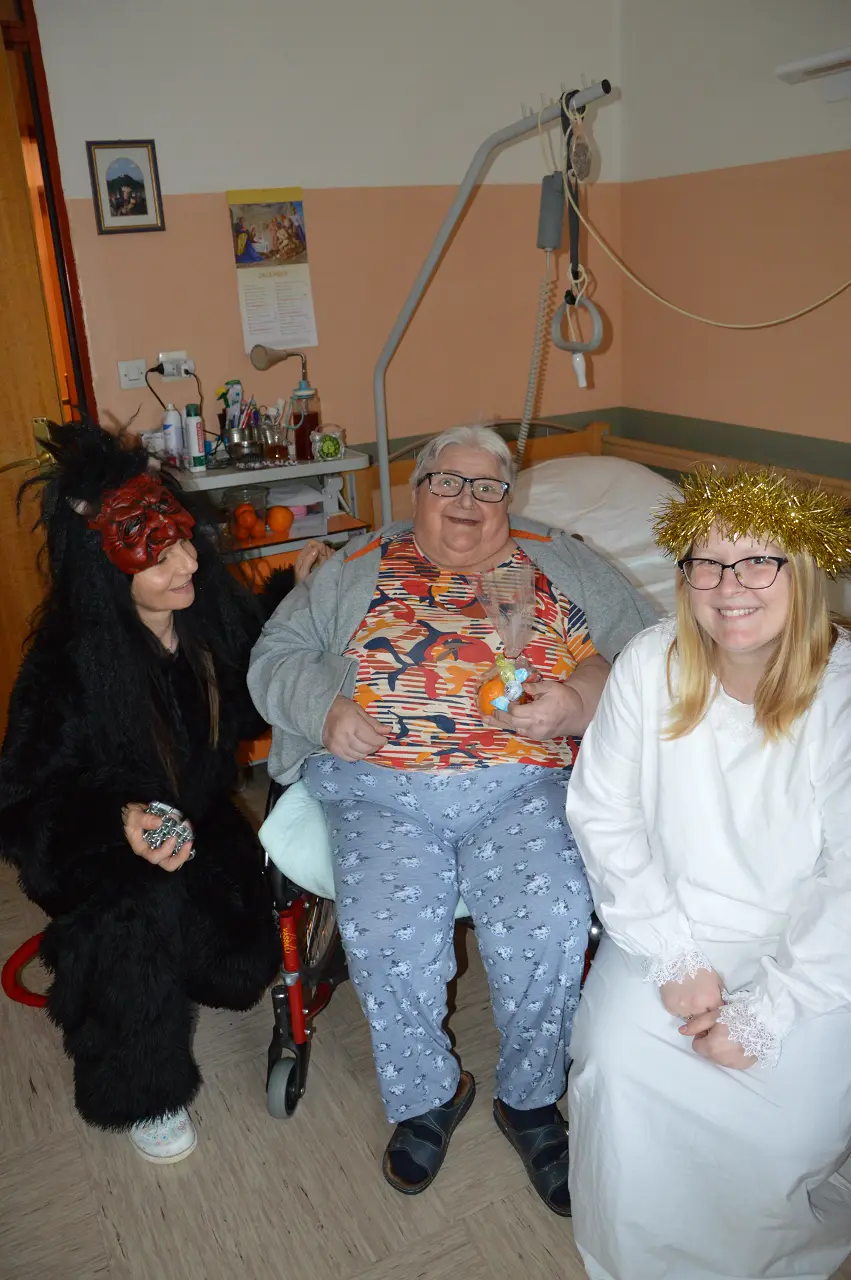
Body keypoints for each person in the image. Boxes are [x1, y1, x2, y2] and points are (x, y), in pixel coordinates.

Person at [248, 425, 656, 1210]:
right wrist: (326, 709)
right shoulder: (357, 565)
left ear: (508, 497)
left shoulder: (560, 564)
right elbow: (273, 656)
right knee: (388, 932)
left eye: (486, 486)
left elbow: (647, 653)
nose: (466, 500)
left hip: (521, 783)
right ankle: (427, 1096)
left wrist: (575, 703)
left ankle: (530, 1098)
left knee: (549, 916)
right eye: (447, 482)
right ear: (418, 491)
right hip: (379, 785)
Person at [0, 422, 326, 1164]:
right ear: (106, 569)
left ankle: (128, 962)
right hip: (101, 855)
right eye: (158, 554)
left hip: (199, 822)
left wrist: (294, 593)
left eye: (183, 540)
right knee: (133, 923)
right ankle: (139, 1085)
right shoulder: (64, 666)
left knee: (240, 972)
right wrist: (119, 821)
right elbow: (19, 803)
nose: (186, 562)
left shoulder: (205, 618)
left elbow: (253, 694)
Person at [565, 465, 851, 1279]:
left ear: (800, 572)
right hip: (667, 926)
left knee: (785, 1125)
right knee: (616, 1070)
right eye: (708, 564)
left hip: (810, 953)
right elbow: (604, 815)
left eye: (757, 562)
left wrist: (771, 1010)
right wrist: (672, 957)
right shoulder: (648, 664)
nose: (730, 587)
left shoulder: (839, 692)